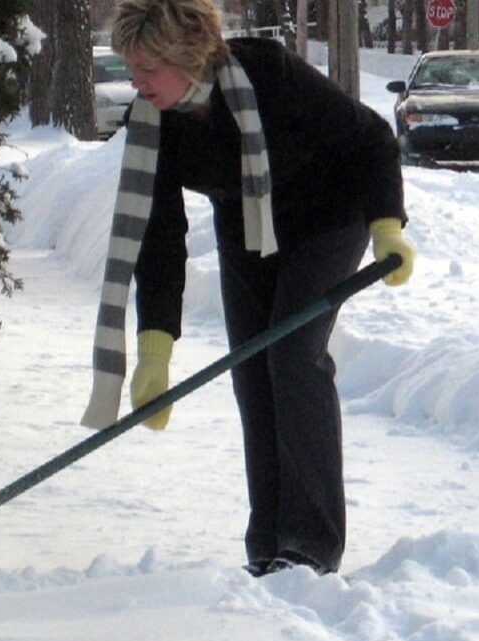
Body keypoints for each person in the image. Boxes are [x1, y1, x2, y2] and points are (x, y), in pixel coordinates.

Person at [80, 0, 415, 578]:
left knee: (292, 356)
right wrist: (155, 351)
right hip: (250, 232)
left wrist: (388, 225)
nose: (136, 82)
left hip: (331, 216)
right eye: (130, 68)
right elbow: (158, 239)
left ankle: (311, 544)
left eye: (146, 68)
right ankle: (269, 543)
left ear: (186, 57)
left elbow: (369, 138)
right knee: (252, 369)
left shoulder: (268, 74)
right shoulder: (152, 123)